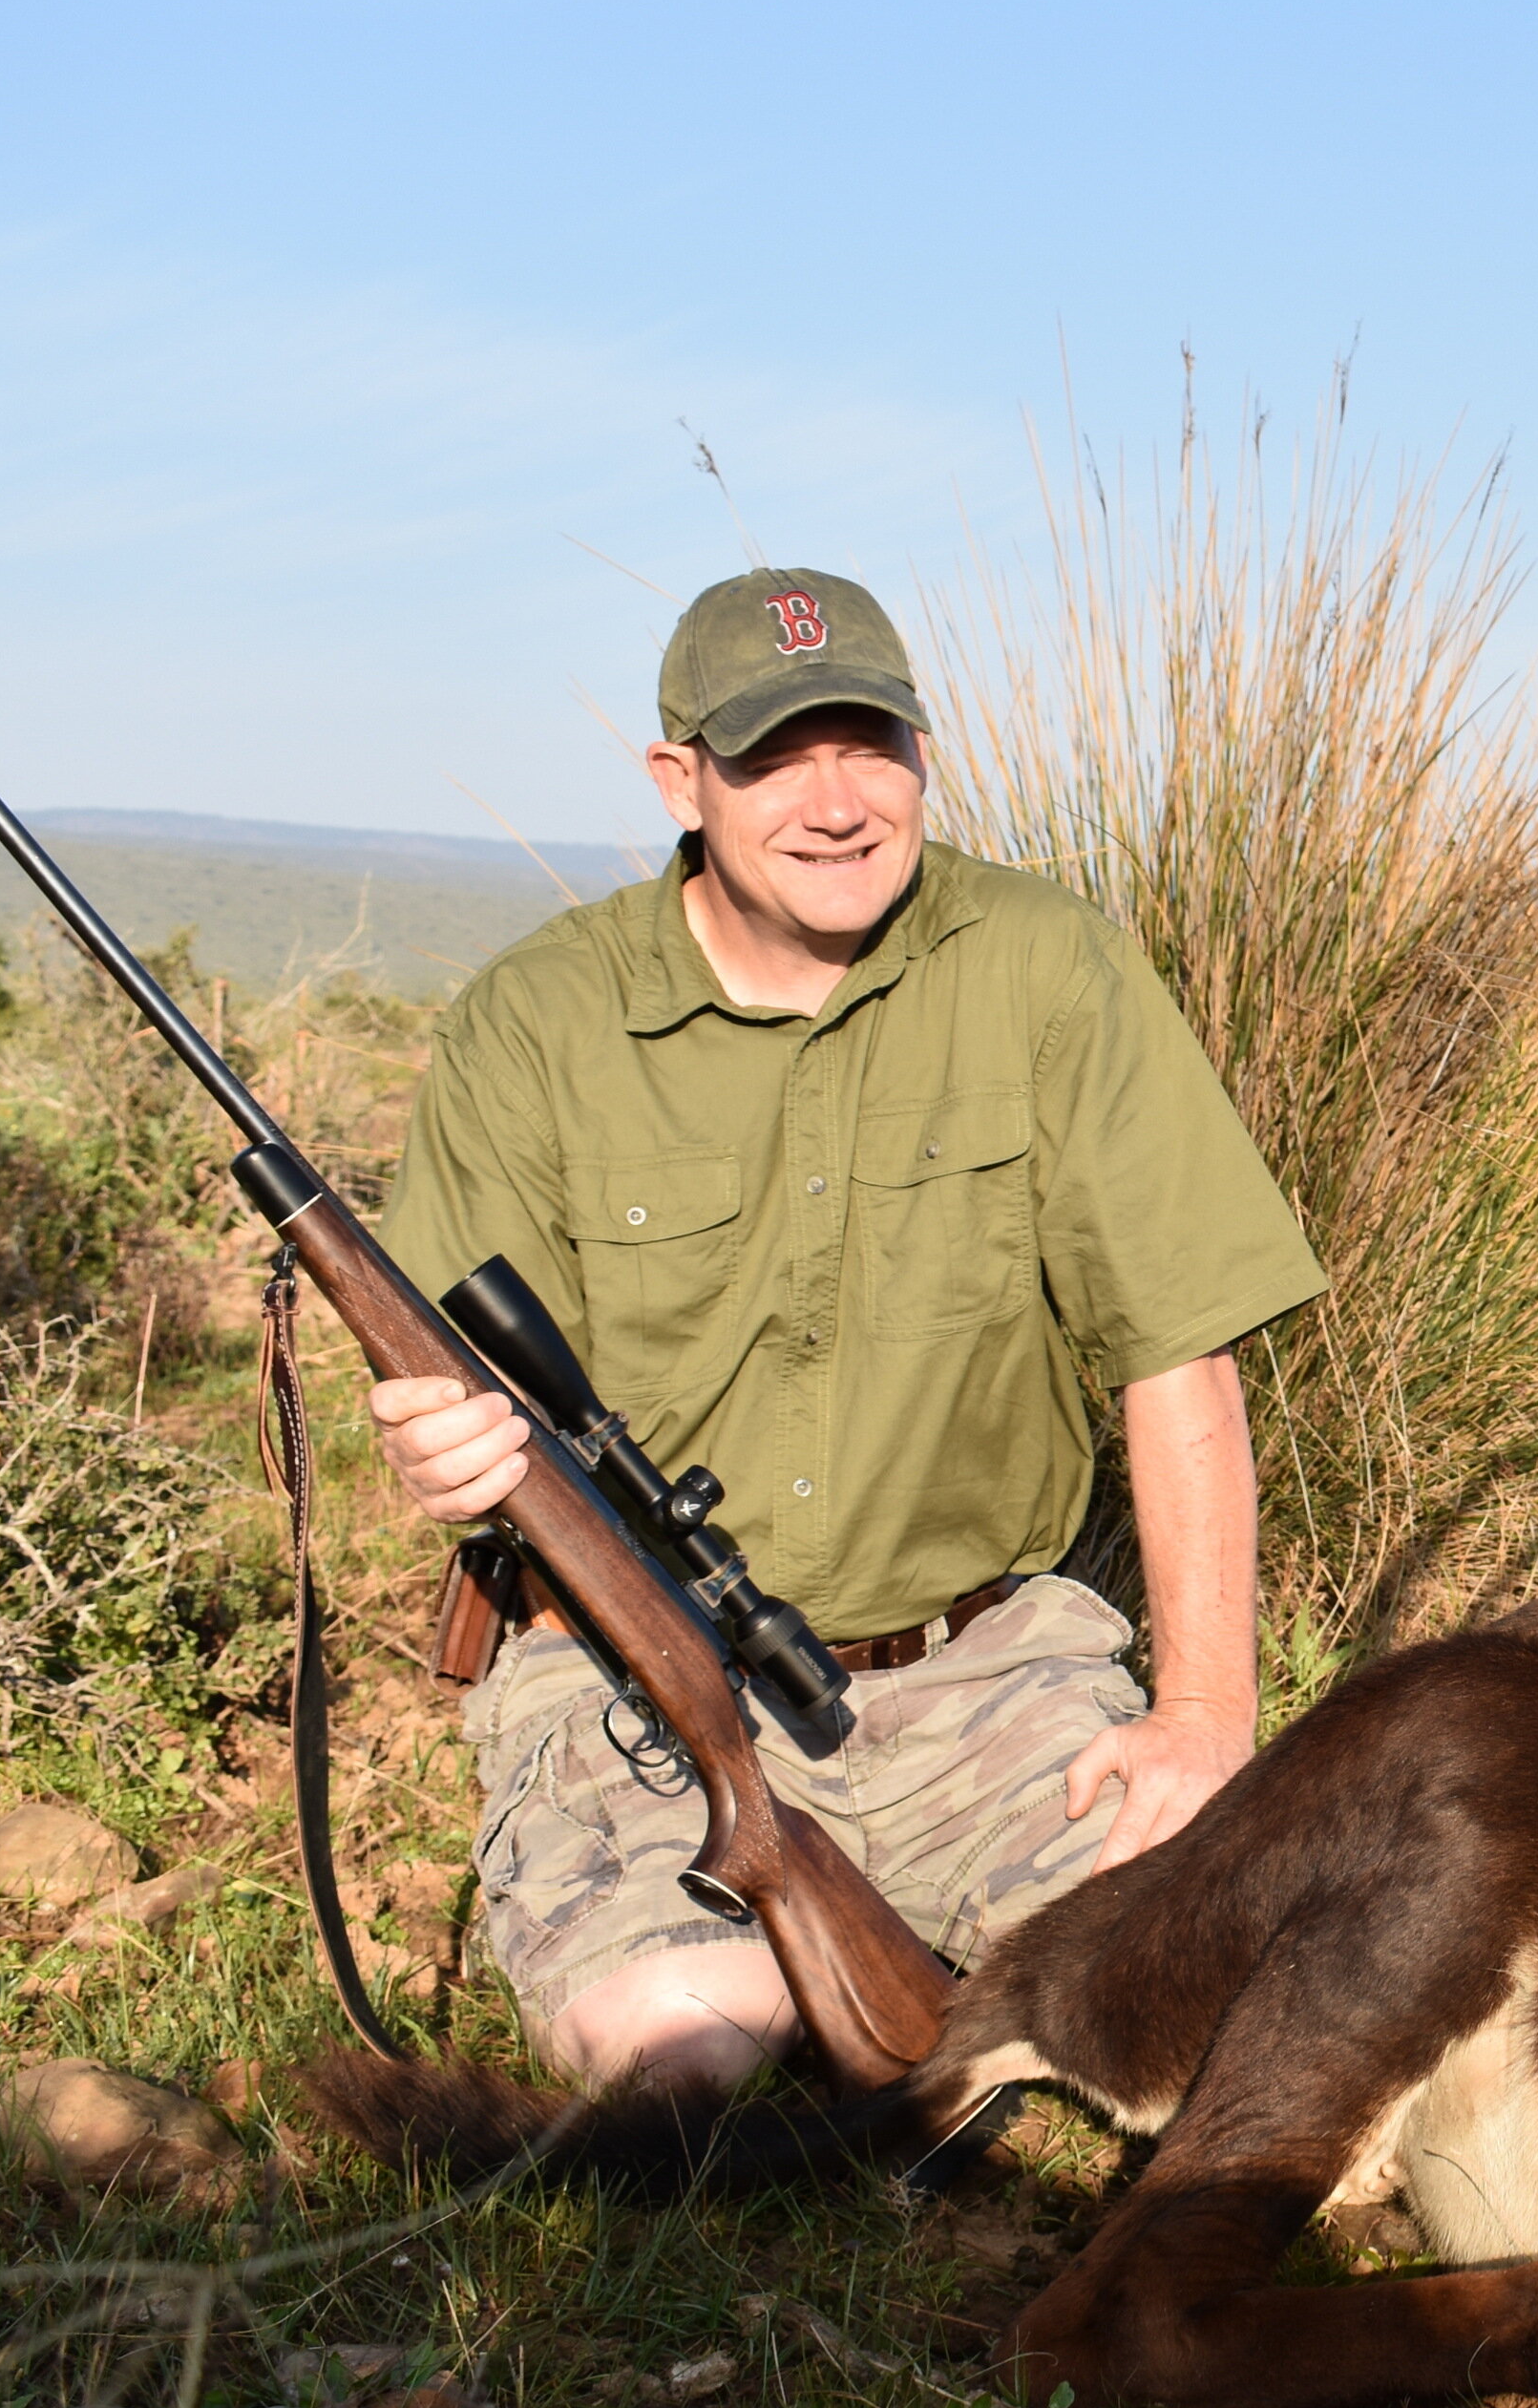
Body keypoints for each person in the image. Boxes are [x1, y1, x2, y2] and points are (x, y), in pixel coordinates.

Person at [367, 567, 1321, 2092]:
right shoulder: (532, 1023)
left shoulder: (1047, 966)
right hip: (630, 1679)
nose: (834, 801)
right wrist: (448, 1449)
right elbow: (460, 1395)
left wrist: (1209, 1719)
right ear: (681, 779)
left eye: (867, 742)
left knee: (1236, 2008)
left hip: (986, 1672)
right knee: (689, 2059)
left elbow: (1178, 1356)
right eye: (771, 756)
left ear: (924, 751)